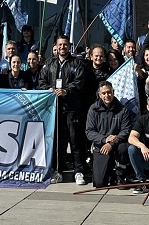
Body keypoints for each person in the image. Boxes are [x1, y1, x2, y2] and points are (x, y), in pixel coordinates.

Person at [38, 35, 86, 185]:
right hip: (55, 107)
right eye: (60, 45)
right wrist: (49, 89)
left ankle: (79, 171)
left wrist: (67, 90)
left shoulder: (77, 63)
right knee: (58, 140)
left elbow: (80, 82)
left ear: (69, 46)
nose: (62, 47)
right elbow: (41, 81)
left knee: (75, 139)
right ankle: (58, 170)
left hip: (72, 107)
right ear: (56, 47)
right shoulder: (49, 63)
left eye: (65, 45)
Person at [85, 81, 131, 187]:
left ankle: (121, 176)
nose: (107, 95)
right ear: (99, 94)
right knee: (100, 183)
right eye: (104, 93)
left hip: (118, 144)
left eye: (109, 92)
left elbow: (126, 130)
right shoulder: (93, 109)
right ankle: (109, 173)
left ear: (113, 92)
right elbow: (89, 131)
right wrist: (105, 140)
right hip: (101, 145)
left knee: (124, 148)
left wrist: (112, 142)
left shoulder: (122, 109)